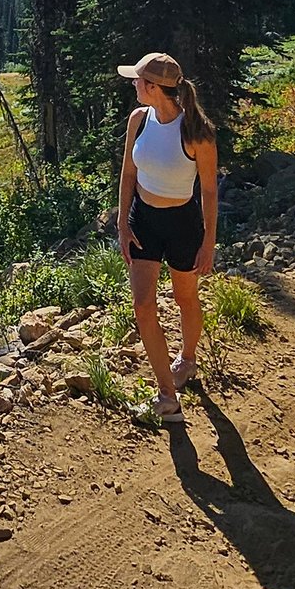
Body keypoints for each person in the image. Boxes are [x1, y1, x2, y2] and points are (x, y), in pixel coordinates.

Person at [116, 50, 218, 428]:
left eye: (137, 81)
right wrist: (124, 223)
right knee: (143, 305)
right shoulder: (138, 120)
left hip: (183, 224)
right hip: (145, 219)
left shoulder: (196, 132)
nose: (133, 85)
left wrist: (208, 243)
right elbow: (128, 173)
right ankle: (168, 397)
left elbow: (209, 191)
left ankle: (187, 359)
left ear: (153, 86)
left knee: (184, 297)